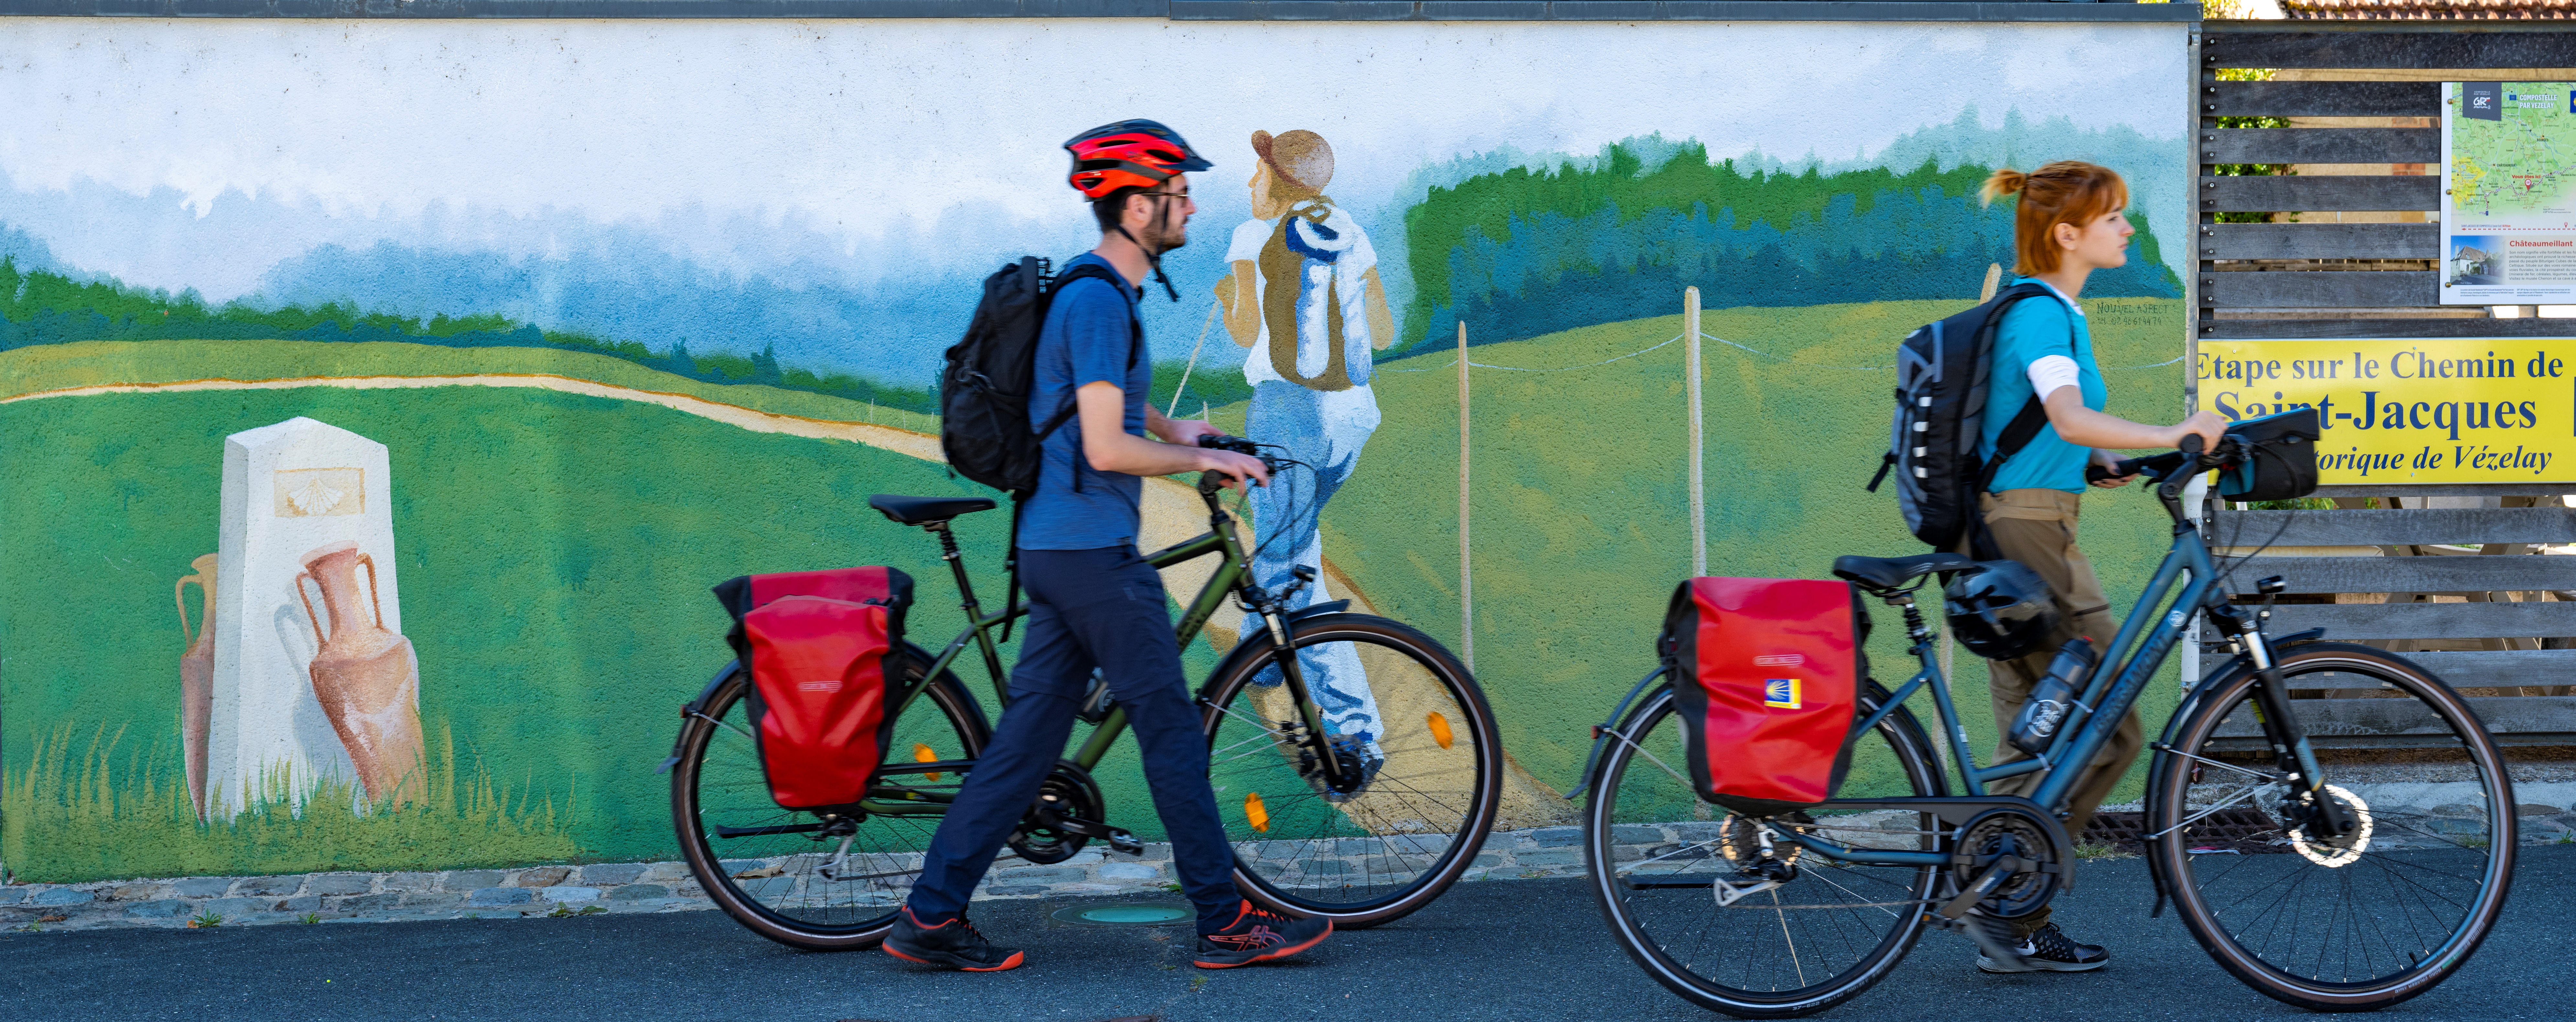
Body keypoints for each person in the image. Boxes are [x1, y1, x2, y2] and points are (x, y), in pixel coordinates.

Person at [883, 120, 1332, 973]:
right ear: (1136, 205)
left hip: (1061, 552)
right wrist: (1205, 457)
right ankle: (1224, 920)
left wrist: (1177, 423)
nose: (1189, 204)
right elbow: (1104, 447)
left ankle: (930, 918)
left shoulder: (1103, 296)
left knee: (1022, 750)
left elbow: (1106, 405)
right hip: (1091, 556)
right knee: (1170, 729)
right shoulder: (1094, 299)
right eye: (1177, 193)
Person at [1964, 160, 2227, 974]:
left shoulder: (2045, 310)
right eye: (2114, 218)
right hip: (2029, 541)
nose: (2128, 230)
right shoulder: (2044, 313)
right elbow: (2067, 415)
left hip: (2025, 525)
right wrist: (2174, 433)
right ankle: (2011, 909)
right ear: (2067, 234)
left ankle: (1998, 908)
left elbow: (2043, 438)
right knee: (2110, 725)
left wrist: (2097, 468)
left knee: (2033, 738)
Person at [1213, 128, 1396, 749]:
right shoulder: (1349, 228)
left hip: (1290, 413)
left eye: (1256, 172)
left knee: (1291, 568)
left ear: (1278, 178)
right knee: (1290, 545)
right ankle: (1258, 660)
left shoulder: (1251, 237)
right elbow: (1385, 329)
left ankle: (1355, 731)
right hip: (1355, 414)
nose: (1248, 184)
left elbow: (1242, 332)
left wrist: (1228, 295)